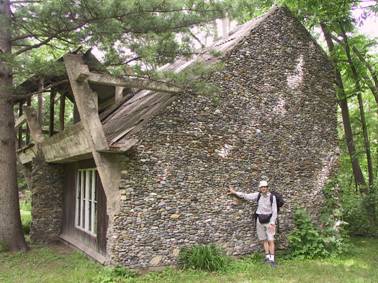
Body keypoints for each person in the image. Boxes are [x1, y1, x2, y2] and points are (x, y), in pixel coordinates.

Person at [228, 180, 277, 267]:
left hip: (270, 221)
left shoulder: (272, 197)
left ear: (267, 188)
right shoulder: (257, 195)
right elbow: (245, 196)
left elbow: (275, 211)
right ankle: (267, 257)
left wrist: (273, 222)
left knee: (271, 240)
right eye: (262, 187)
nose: (263, 188)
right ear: (260, 188)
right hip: (259, 220)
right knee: (263, 239)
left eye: (265, 187)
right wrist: (235, 192)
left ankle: (272, 260)